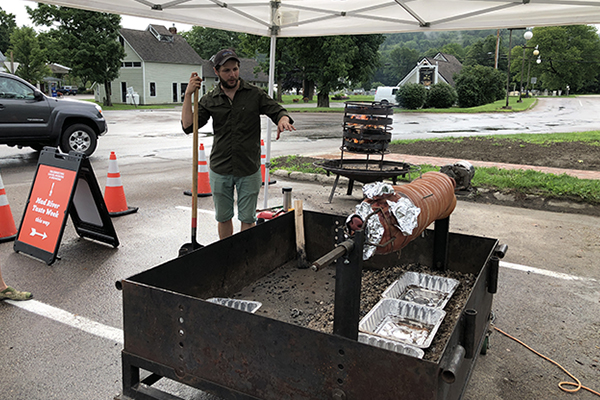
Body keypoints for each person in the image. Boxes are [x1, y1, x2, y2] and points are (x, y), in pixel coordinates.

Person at [181, 48, 296, 240]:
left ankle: (244, 257)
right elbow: (188, 126)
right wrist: (187, 95)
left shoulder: (254, 94)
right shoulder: (210, 99)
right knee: (224, 218)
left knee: (247, 218)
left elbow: (276, 109)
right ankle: (228, 255)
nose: (232, 74)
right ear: (216, 72)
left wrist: (283, 119)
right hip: (221, 168)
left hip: (248, 168)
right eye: (226, 70)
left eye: (235, 69)